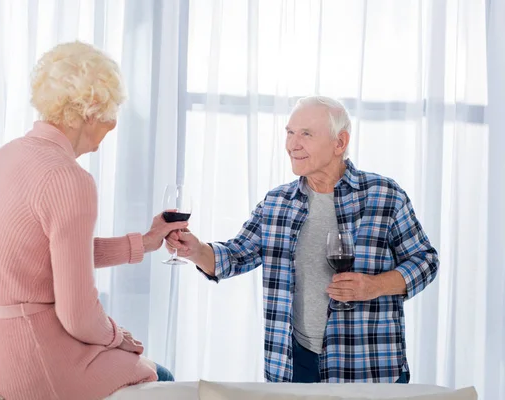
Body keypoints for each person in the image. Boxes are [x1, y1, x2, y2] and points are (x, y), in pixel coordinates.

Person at [0, 41, 181, 400]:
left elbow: (44, 253)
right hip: (25, 364)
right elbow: (79, 317)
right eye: (110, 111)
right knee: (162, 375)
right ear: (88, 112)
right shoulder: (68, 178)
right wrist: (119, 337)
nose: (114, 123)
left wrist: (144, 243)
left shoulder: (5, 157)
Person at [166, 95, 439, 384]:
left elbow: (426, 261)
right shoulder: (277, 202)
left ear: (340, 143)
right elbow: (235, 257)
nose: (292, 144)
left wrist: (376, 286)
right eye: (289, 132)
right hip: (294, 362)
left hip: (368, 364)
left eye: (306, 134)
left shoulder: (384, 195)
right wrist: (195, 250)